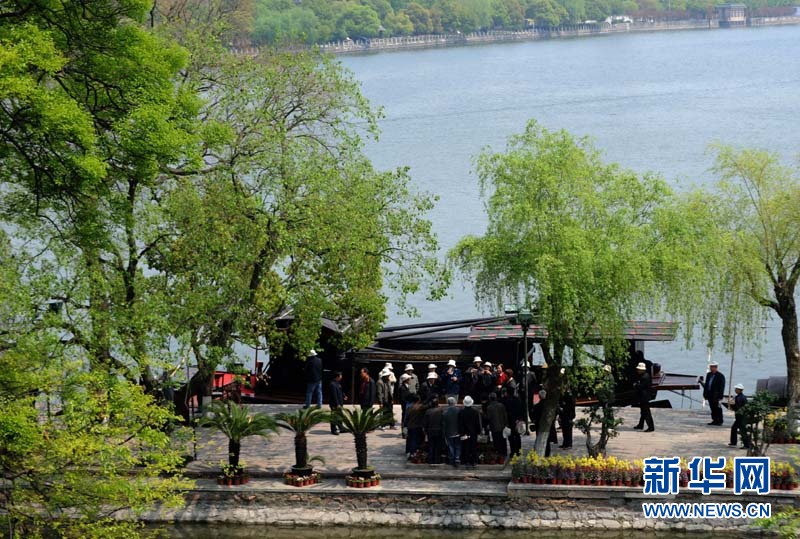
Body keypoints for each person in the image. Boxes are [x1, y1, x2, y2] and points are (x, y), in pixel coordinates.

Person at [532, 389, 558, 456]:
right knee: (547, 439)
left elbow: (534, 416)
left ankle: (540, 452)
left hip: (539, 425)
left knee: (539, 438)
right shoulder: (549, 406)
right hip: (548, 425)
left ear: (539, 397)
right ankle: (547, 452)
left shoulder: (537, 406)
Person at [459, 396, 482, 468]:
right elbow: (477, 423)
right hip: (473, 433)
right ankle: (474, 461)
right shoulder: (475, 412)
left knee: (465, 447)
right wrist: (478, 431)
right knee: (473, 447)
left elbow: (460, 424)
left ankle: (466, 461)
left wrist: (461, 433)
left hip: (464, 433)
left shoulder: (461, 412)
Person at [486, 392, 508, 462]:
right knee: (503, 440)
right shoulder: (501, 405)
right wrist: (506, 424)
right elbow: (505, 415)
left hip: (494, 427)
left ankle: (499, 454)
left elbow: (488, 418)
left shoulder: (489, 407)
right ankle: (504, 453)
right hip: (502, 426)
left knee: (496, 441)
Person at [501, 387, 523, 457]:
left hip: (509, 421)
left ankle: (513, 451)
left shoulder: (505, 400)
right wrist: (519, 419)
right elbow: (521, 409)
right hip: (516, 420)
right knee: (517, 436)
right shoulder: (517, 399)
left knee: (511, 436)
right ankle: (518, 451)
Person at [633, 362, 654, 432]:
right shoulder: (644, 375)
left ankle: (651, 427)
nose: (638, 370)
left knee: (646, 412)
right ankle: (640, 425)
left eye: (639, 369)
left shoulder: (645, 377)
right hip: (643, 396)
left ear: (642, 370)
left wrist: (636, 385)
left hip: (644, 397)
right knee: (643, 412)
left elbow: (641, 387)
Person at [729, 383, 751, 449]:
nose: (735, 390)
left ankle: (746, 445)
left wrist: (732, 406)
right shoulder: (742, 397)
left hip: (740, 417)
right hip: (741, 416)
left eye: (736, 389)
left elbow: (737, 407)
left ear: (739, 390)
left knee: (742, 430)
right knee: (735, 428)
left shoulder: (739, 398)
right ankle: (734, 442)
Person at [704, 361, 726, 426]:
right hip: (710, 394)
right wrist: (705, 394)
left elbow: (722, 387)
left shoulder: (720, 376)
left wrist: (720, 396)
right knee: (712, 408)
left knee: (718, 408)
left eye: (712, 367)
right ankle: (714, 420)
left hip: (716, 395)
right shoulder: (709, 375)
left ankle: (720, 420)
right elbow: (706, 385)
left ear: (716, 367)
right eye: (710, 367)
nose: (711, 368)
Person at [423, 398, 444, 464]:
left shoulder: (428, 411)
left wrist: (425, 430)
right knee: (437, 446)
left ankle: (431, 459)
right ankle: (437, 460)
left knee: (431, 445)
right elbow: (443, 421)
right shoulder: (441, 410)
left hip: (430, 430)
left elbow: (425, 422)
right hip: (438, 430)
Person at [442, 396, 462, 467]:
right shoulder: (459, 410)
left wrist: (443, 433)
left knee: (450, 446)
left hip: (449, 431)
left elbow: (444, 424)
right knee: (457, 445)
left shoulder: (445, 412)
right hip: (458, 431)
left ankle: (451, 459)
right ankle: (457, 458)